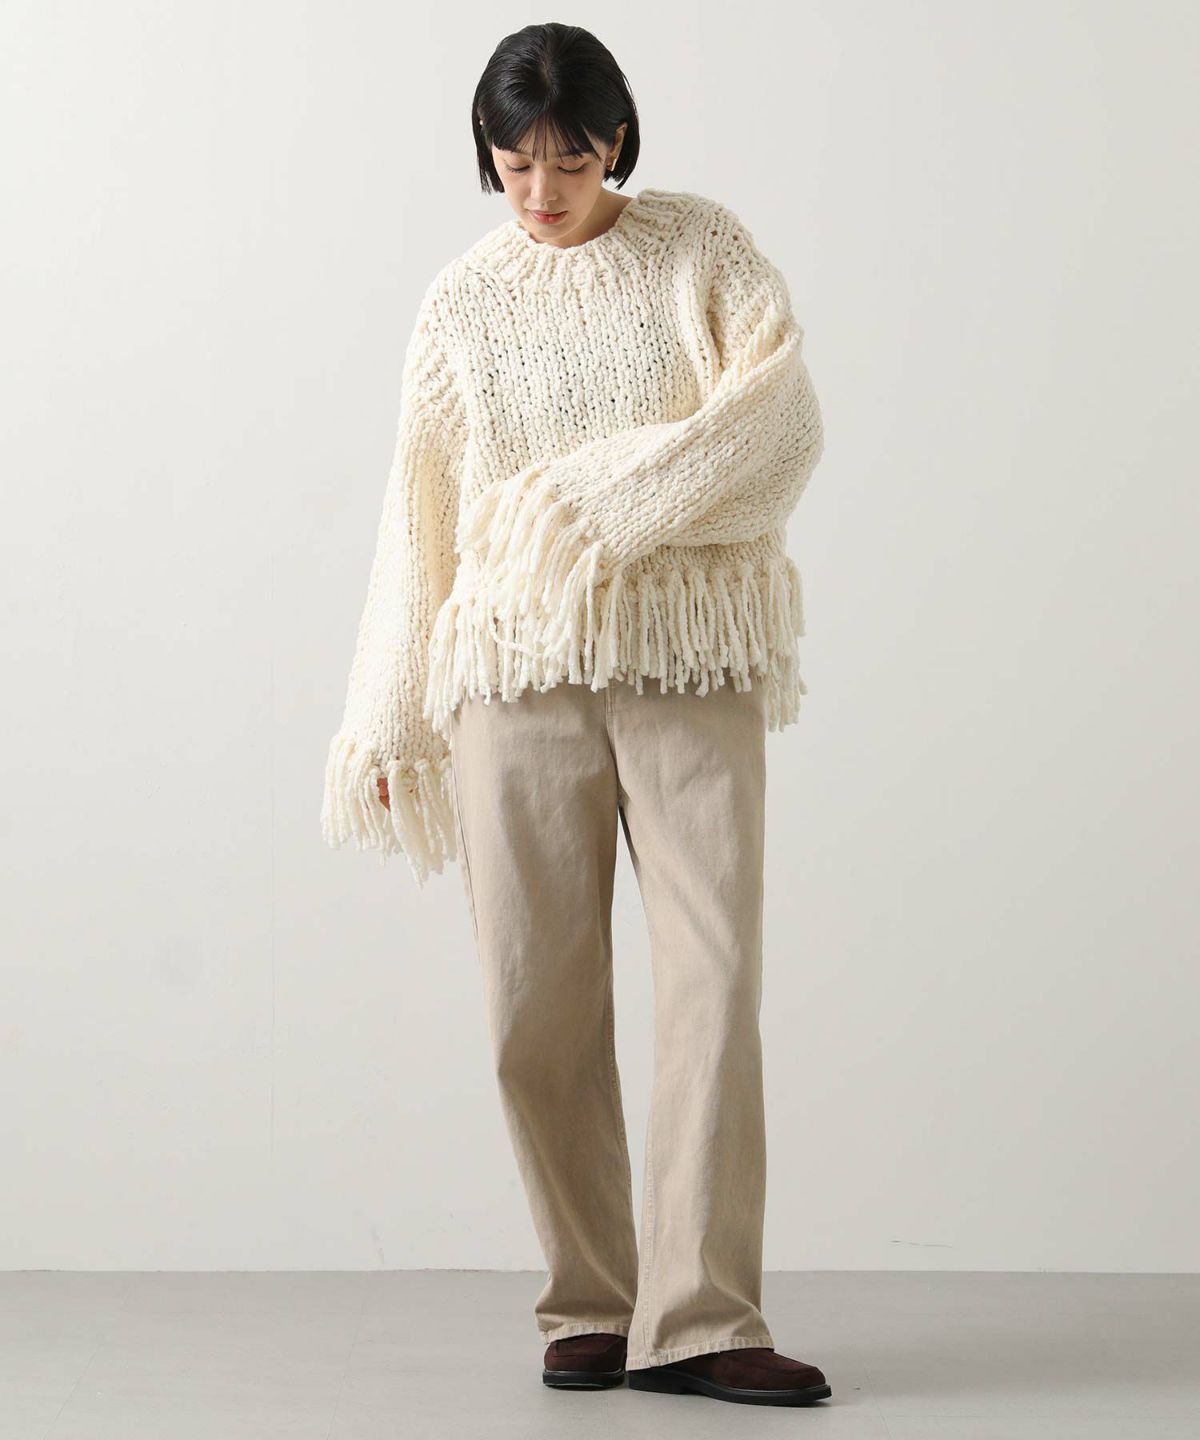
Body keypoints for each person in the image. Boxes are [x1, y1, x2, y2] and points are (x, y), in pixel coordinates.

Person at [321, 21, 829, 1409]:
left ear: (619, 142)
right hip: (512, 674)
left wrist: (585, 503)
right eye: (517, 161)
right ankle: (594, 1300)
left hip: (686, 658)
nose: (543, 190)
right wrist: (387, 715)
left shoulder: (701, 252)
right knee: (532, 1000)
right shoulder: (461, 306)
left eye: (572, 159)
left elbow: (779, 425)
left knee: (716, 980)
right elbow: (420, 513)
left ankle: (704, 1316)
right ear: (487, 152)